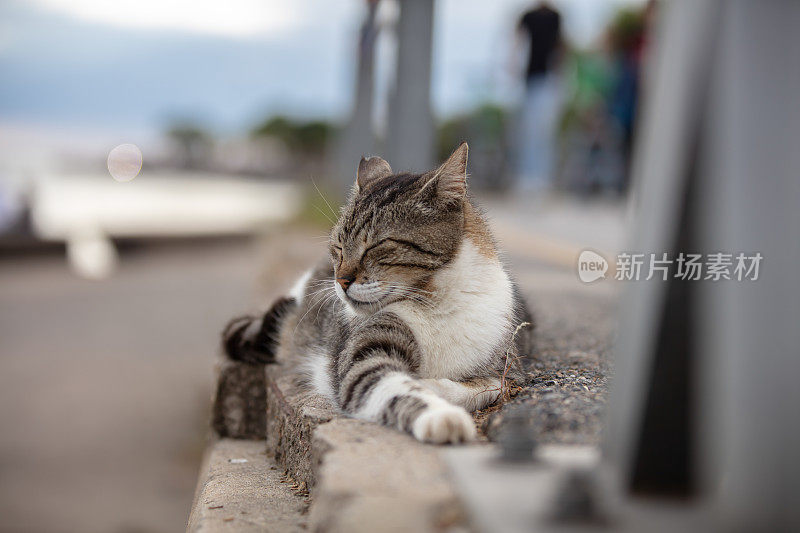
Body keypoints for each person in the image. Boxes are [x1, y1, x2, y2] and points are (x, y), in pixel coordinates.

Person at [514, 2, 563, 192]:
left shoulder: (555, 16)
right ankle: (527, 178)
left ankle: (543, 178)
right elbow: (517, 40)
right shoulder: (527, 15)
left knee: (544, 132)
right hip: (529, 80)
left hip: (548, 81)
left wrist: (560, 78)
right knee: (528, 132)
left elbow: (559, 46)